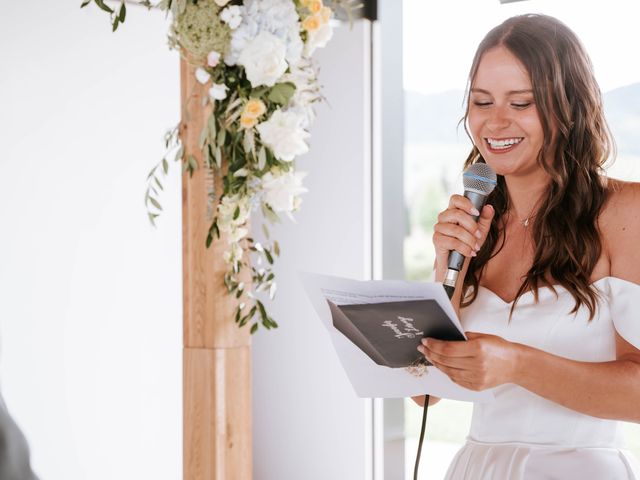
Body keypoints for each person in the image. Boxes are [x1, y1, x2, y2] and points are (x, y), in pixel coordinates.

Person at [412, 14, 640, 479]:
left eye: (521, 103)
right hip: (477, 467)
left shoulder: (625, 212)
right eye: (481, 101)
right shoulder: (476, 222)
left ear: (568, 107)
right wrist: (445, 266)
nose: (495, 122)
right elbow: (426, 392)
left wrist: (516, 364)